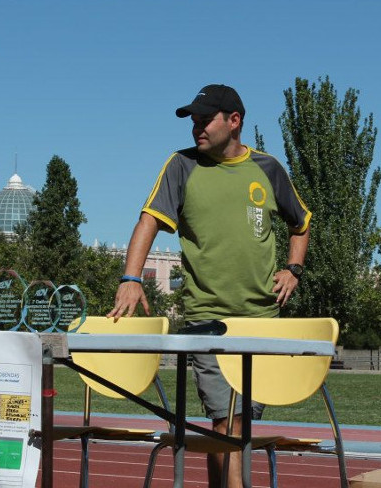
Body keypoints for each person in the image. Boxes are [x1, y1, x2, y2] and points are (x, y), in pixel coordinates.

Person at [107, 84, 311, 488]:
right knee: (226, 421)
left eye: (205, 120)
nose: (197, 129)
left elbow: (300, 223)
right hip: (208, 321)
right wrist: (130, 279)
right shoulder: (181, 166)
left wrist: (293, 269)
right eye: (194, 122)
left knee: (235, 425)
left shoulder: (268, 169)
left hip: (261, 322)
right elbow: (149, 221)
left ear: (234, 121)